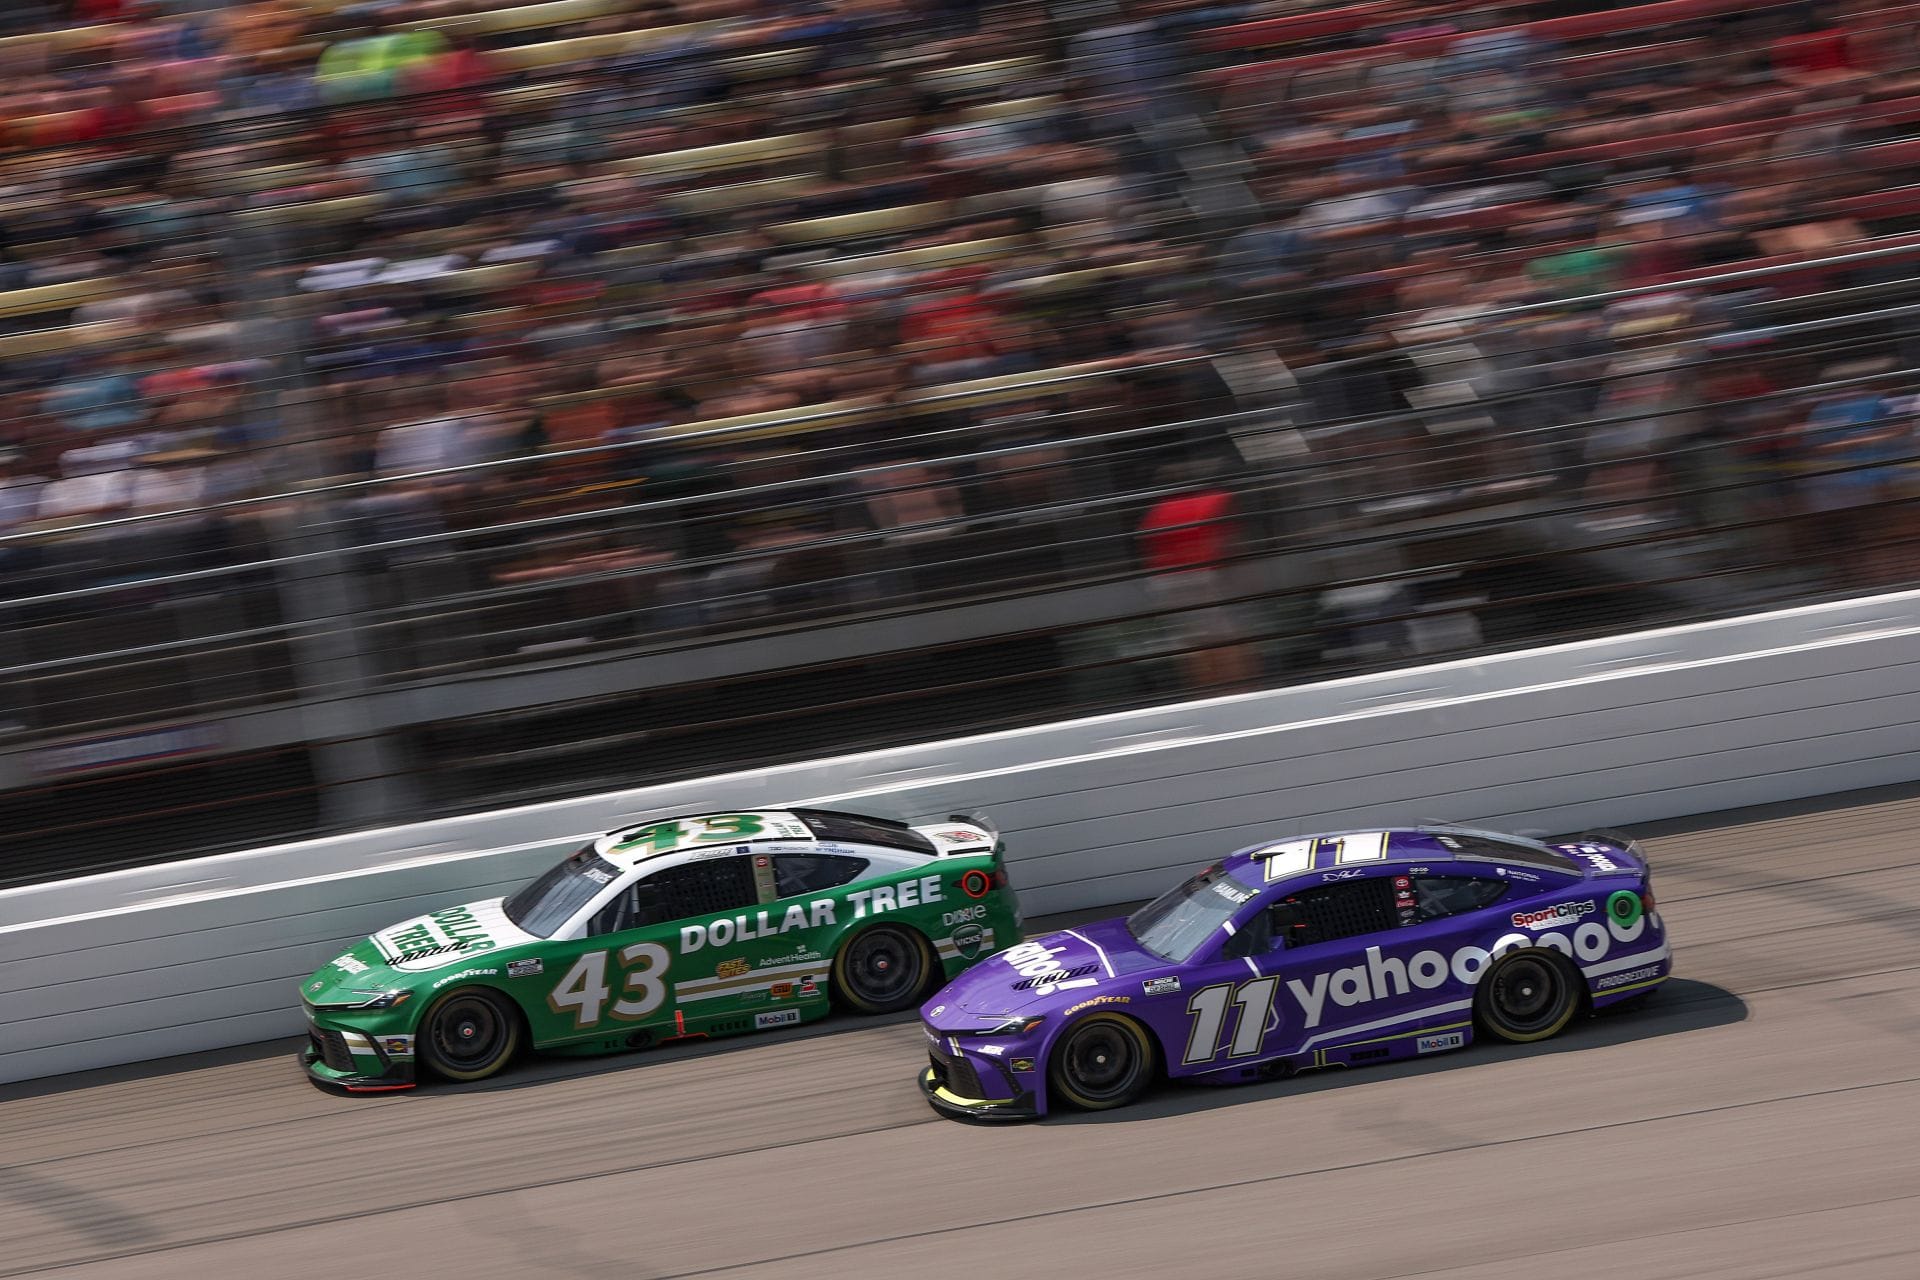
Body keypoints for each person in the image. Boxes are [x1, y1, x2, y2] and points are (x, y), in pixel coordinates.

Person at [1136, 460, 1260, 692]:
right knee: (1230, 644)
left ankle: (1207, 698)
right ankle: (1242, 695)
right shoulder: (1217, 499)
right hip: (1205, 579)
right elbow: (1228, 544)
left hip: (1166, 585)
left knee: (1195, 648)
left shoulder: (1156, 512)